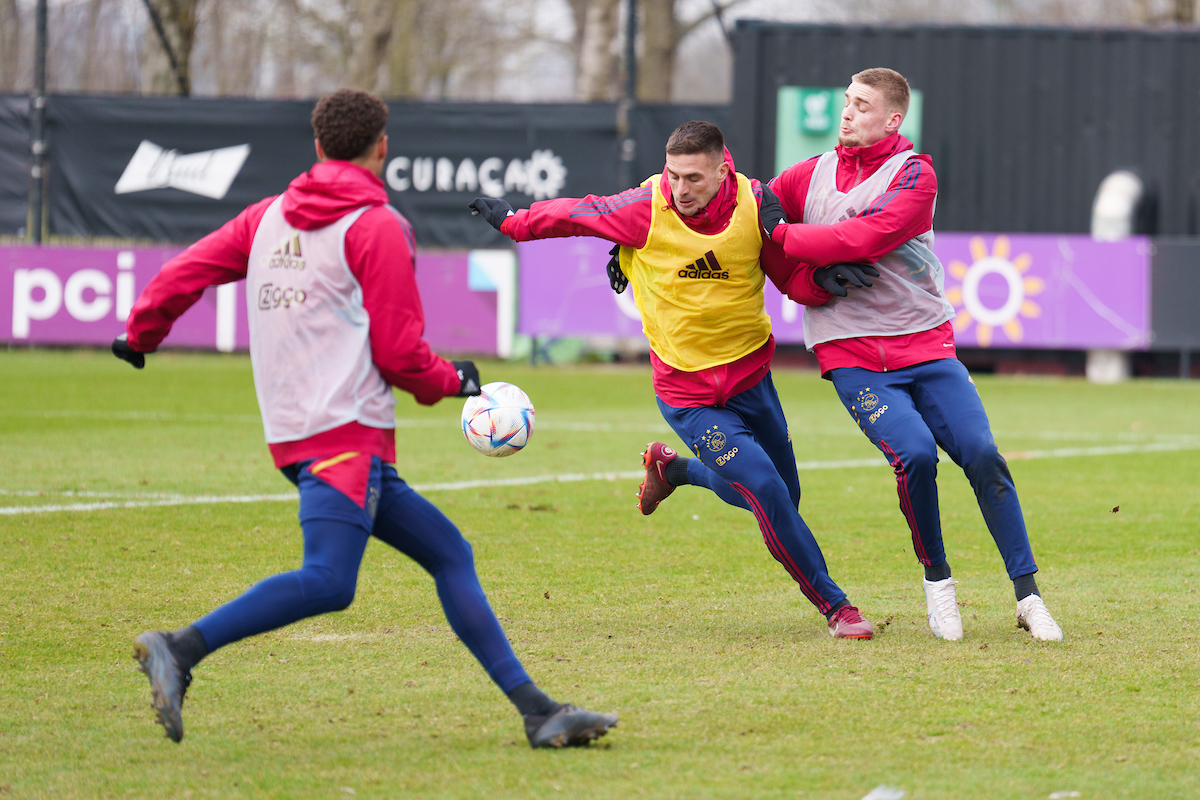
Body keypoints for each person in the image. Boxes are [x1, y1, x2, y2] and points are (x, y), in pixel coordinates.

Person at [113, 88, 618, 748]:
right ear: (383, 147)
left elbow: (186, 270)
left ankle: (537, 709)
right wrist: (454, 380)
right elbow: (400, 355)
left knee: (449, 554)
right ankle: (179, 648)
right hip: (341, 432)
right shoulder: (377, 227)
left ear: (319, 146)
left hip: (305, 432)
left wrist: (141, 333)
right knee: (328, 580)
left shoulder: (268, 218)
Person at [470, 121, 874, 640]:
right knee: (766, 488)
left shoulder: (754, 204)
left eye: (694, 179)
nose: (680, 190)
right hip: (689, 395)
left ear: (723, 169)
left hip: (752, 379)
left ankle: (675, 470)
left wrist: (819, 282)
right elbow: (575, 214)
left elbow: (787, 274)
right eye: (673, 175)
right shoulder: (647, 206)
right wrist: (512, 221)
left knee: (781, 496)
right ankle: (837, 608)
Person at [758, 68, 1063, 642]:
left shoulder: (915, 175)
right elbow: (746, 210)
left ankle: (1028, 596)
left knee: (982, 454)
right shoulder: (808, 175)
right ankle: (938, 586)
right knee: (917, 456)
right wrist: (804, 284)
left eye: (861, 105)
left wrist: (782, 236)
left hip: (925, 345)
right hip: (850, 353)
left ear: (892, 119)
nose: (846, 113)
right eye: (845, 102)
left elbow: (862, 239)